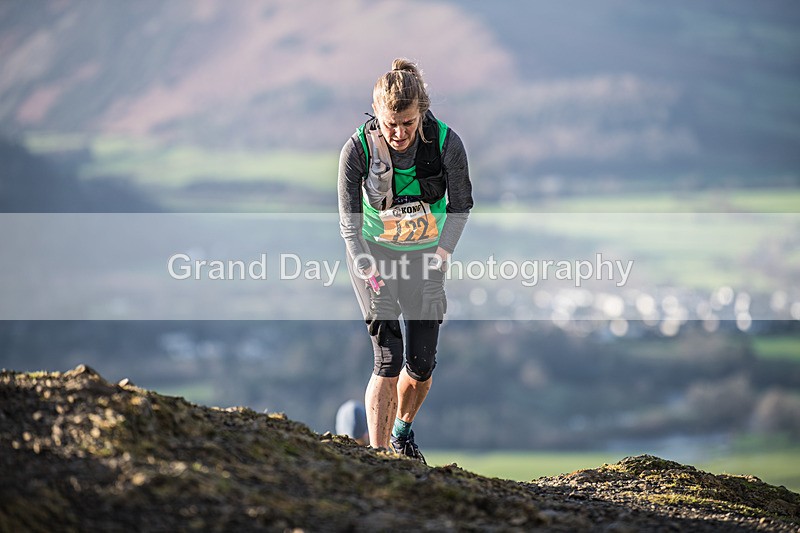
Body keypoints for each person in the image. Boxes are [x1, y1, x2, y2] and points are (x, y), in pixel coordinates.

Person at [337, 58, 473, 462]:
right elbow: (349, 223)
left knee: (421, 363)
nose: (398, 133)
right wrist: (369, 272)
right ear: (376, 113)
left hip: (426, 255)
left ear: (422, 112)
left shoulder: (447, 143)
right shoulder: (357, 149)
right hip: (372, 255)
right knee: (388, 356)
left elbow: (461, 206)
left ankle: (401, 435)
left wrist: (441, 260)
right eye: (389, 123)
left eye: (408, 123)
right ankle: (379, 457)